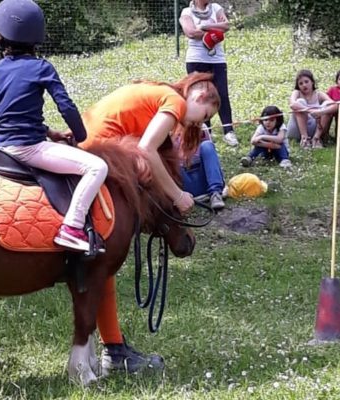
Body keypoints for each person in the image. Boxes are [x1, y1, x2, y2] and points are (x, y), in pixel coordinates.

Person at [80, 71, 220, 374]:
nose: (195, 124)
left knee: (104, 258)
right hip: (99, 151)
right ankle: (110, 348)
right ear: (197, 96)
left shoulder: (159, 93)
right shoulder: (175, 103)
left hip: (93, 143)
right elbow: (145, 149)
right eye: (202, 117)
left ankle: (112, 345)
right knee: (106, 254)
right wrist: (177, 194)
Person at [0, 0, 108, 253]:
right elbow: (66, 106)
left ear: (0, 36)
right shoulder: (41, 67)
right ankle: (72, 228)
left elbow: (16, 111)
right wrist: (80, 134)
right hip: (28, 149)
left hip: (3, 147)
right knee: (97, 167)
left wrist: (50, 133)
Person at [179, 0, 238, 147]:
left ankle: (228, 131)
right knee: (201, 95)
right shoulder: (187, 12)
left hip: (217, 60)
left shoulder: (216, 8)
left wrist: (204, 26)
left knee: (222, 94)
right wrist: (215, 30)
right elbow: (191, 32)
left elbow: (226, 26)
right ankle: (206, 132)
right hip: (196, 59)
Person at [286, 69, 333, 149]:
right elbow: (292, 104)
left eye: (306, 81)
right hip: (296, 131)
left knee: (327, 105)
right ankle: (304, 139)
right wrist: (309, 110)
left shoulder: (319, 94)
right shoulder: (297, 93)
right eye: (301, 83)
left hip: (314, 129)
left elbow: (334, 105)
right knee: (300, 102)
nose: (304, 85)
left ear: (312, 82)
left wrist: (321, 111)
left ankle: (316, 139)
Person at [180, 128, 226, 210]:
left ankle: (216, 194)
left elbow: (210, 153)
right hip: (185, 180)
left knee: (207, 145)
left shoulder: (200, 126)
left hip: (204, 176)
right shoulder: (166, 130)